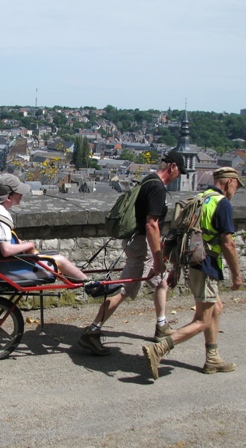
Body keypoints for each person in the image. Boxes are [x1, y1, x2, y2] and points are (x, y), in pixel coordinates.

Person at [78, 152, 187, 356]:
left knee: (161, 282)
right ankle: (91, 331)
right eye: (180, 171)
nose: (179, 176)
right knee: (124, 289)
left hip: (138, 242)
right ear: (172, 166)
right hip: (142, 245)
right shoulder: (156, 187)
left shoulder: (148, 181)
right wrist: (157, 259)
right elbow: (151, 225)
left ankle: (161, 325)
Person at [143, 166, 245, 380]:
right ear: (229, 183)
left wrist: (175, 269)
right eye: (236, 185)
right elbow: (228, 244)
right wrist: (237, 275)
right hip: (208, 264)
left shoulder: (200, 198)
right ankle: (159, 349)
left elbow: (183, 235)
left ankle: (213, 358)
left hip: (194, 262)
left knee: (216, 307)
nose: (236, 190)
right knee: (202, 320)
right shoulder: (222, 204)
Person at [0, 173, 88, 282]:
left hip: (0, 266)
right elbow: (6, 250)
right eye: (19, 193)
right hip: (9, 270)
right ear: (9, 197)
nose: (21, 196)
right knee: (60, 260)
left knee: (53, 255)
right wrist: (30, 244)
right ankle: (90, 285)